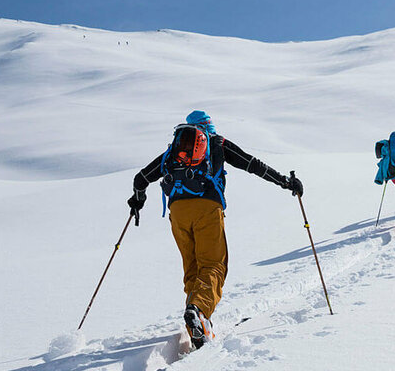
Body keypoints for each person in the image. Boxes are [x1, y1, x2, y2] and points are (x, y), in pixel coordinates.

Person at [127, 110, 303, 349]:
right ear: (209, 126)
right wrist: (285, 181)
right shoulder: (217, 143)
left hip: (177, 213)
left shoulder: (173, 152)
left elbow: (141, 179)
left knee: (192, 267)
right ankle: (198, 310)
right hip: (208, 209)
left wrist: (138, 200)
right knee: (213, 265)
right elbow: (253, 165)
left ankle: (197, 324)